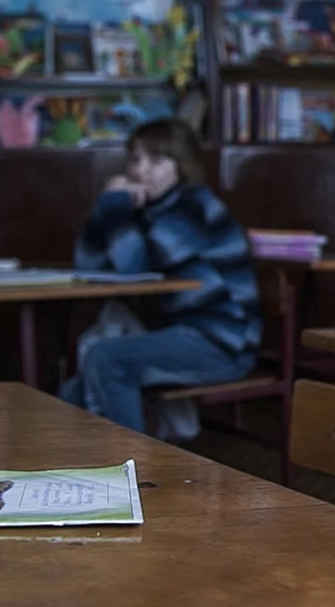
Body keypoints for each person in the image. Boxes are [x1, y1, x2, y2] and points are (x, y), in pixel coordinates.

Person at [59, 118, 261, 436]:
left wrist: (115, 208)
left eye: (156, 161)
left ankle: (134, 471)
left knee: (107, 359)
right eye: (135, 160)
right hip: (178, 332)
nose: (141, 171)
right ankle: (77, 476)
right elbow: (88, 265)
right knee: (73, 392)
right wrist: (104, 213)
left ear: (180, 166)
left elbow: (134, 270)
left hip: (220, 342)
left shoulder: (194, 206)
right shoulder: (144, 210)